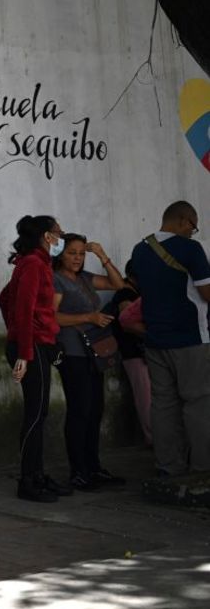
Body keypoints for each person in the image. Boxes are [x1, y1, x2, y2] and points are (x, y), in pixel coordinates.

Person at [129, 201, 210, 476]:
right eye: (193, 226)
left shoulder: (140, 250)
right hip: (190, 336)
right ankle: (202, 466)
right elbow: (206, 293)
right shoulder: (190, 249)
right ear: (184, 220)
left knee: (163, 403)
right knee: (197, 401)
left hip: (155, 338)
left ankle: (168, 465)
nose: (192, 232)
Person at [0, 215, 73, 503]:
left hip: (35, 344)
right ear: (47, 236)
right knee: (35, 414)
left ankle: (38, 474)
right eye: (59, 232)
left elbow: (5, 299)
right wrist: (23, 351)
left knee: (39, 413)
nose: (62, 237)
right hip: (32, 348)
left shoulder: (36, 263)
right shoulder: (32, 264)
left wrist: (17, 335)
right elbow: (23, 309)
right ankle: (28, 480)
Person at [51, 234, 126, 490]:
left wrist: (102, 255)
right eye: (72, 253)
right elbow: (52, 317)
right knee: (80, 410)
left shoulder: (85, 278)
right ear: (61, 254)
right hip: (72, 352)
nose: (77, 258)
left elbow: (118, 285)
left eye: (82, 253)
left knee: (95, 410)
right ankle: (79, 471)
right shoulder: (56, 280)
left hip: (94, 352)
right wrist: (88, 317)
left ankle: (93, 467)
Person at [104, 262, 151, 446]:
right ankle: (153, 438)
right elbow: (127, 320)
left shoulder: (133, 291)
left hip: (140, 352)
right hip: (135, 353)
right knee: (145, 398)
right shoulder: (125, 293)